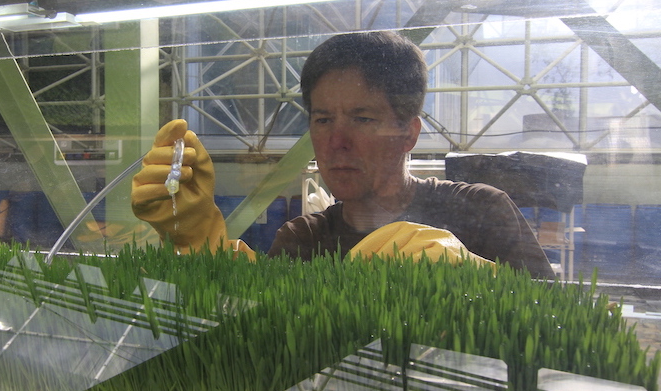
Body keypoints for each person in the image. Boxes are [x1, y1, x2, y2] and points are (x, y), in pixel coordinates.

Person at [132, 31, 555, 280]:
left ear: (409, 132)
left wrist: (477, 276)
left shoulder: (482, 210)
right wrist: (196, 235)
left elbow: (559, 327)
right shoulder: (303, 239)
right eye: (322, 120)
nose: (336, 142)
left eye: (362, 118)